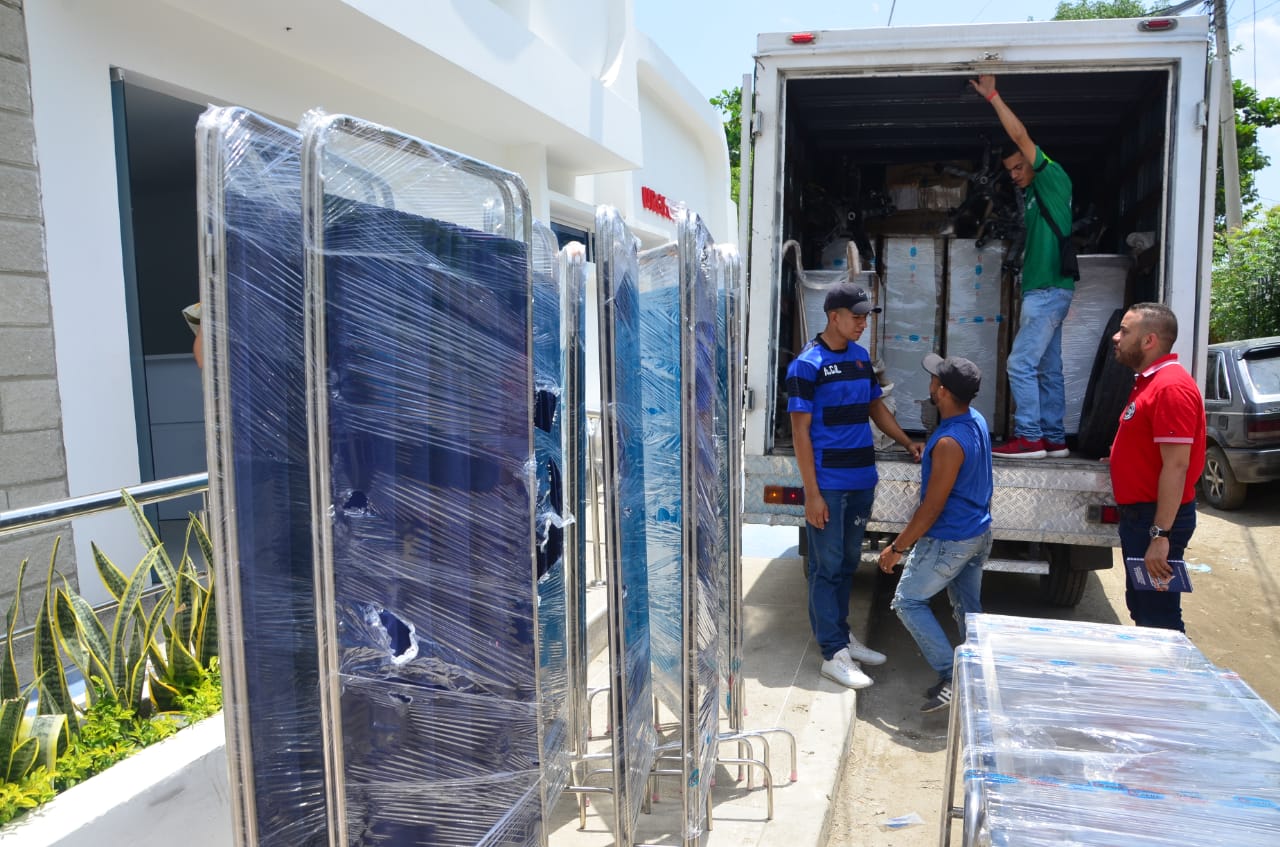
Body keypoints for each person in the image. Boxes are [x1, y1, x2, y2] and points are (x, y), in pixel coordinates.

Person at [786, 282, 924, 690]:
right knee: (825, 568)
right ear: (834, 316)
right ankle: (832, 654)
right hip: (828, 484)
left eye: (866, 316)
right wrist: (811, 493)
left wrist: (905, 441)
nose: (863, 323)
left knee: (847, 565)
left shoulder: (861, 360)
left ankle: (843, 637)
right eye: (857, 316)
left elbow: (874, 407)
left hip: (863, 478)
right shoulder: (806, 366)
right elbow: (800, 434)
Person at [878, 354, 994, 713]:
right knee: (969, 612)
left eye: (934, 379)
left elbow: (931, 508)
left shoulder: (948, 443)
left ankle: (952, 676)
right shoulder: (975, 421)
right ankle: (980, 680)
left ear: (941, 391)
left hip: (950, 539)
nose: (929, 382)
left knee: (908, 602)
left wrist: (897, 548)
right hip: (977, 533)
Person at [971, 74, 1075, 460]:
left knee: (1020, 364)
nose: (1014, 175)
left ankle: (1029, 437)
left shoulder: (1051, 178)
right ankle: (1054, 438)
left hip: (1047, 290)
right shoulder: (1034, 194)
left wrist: (994, 96)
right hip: (1048, 290)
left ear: (1033, 161)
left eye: (1018, 167)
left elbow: (1020, 136)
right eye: (1010, 171)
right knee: (1047, 369)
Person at [1108, 303, 1206, 632]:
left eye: (1125, 331)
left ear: (1149, 341)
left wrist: (1160, 536)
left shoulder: (1170, 388)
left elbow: (1177, 467)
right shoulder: (1150, 382)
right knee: (1143, 607)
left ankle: (1173, 682)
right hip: (1143, 516)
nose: (1116, 337)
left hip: (1155, 519)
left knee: (1158, 618)